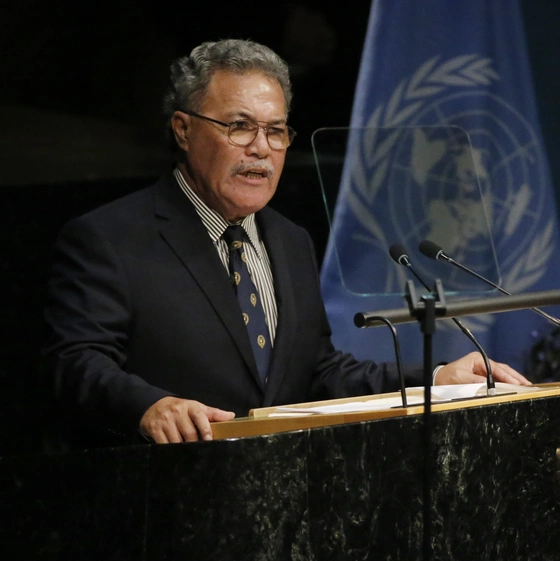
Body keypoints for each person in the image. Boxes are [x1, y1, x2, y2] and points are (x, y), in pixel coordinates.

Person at [42, 39, 529, 445]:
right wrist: (148, 406)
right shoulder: (110, 238)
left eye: (275, 131)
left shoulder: (289, 240)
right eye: (239, 127)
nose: (261, 148)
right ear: (183, 130)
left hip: (282, 505)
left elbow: (317, 372)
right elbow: (75, 362)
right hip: (162, 502)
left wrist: (435, 379)